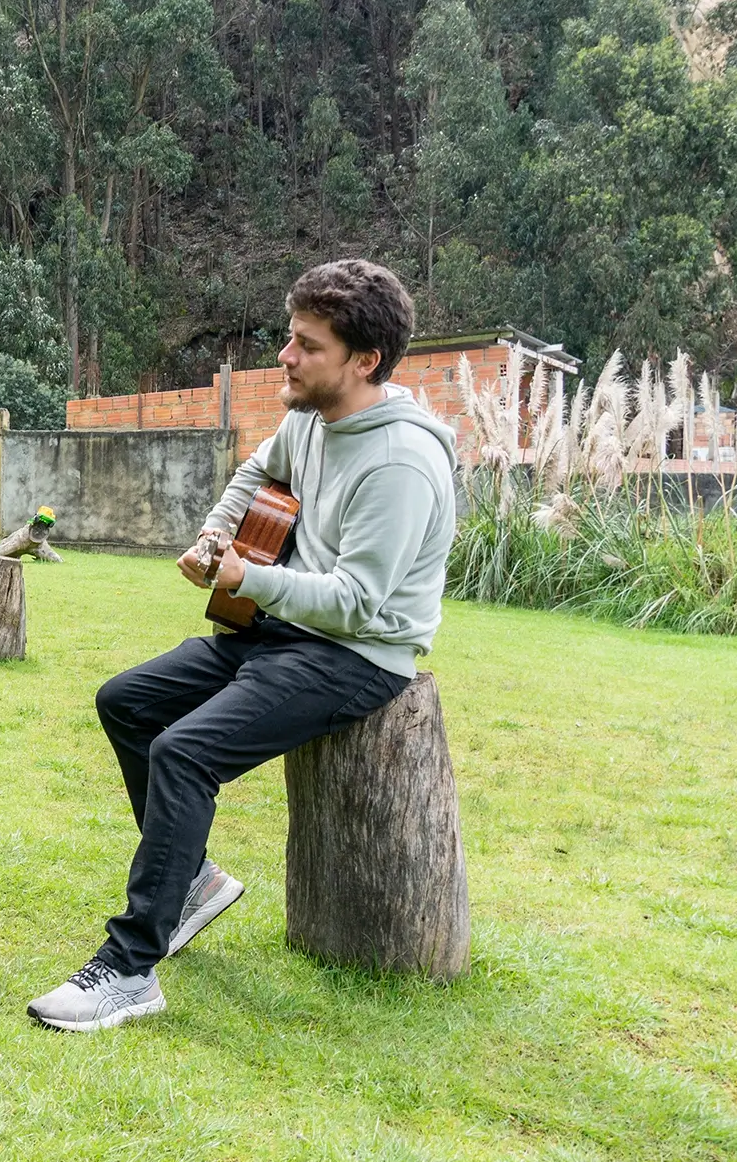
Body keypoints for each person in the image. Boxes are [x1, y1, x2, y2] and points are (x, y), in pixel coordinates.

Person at [27, 259, 458, 1032]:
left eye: (306, 345)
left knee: (185, 752)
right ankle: (190, 884)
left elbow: (361, 604)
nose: (284, 358)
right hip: (282, 630)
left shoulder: (401, 463)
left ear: (364, 361)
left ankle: (129, 970)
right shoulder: (312, 419)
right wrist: (219, 536)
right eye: (288, 337)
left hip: (356, 657)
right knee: (126, 702)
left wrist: (249, 581)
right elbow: (262, 466)